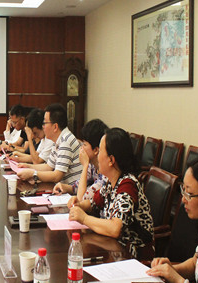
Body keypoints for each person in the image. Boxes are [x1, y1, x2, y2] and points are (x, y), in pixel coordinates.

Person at [69, 127, 154, 259]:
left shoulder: (127, 186)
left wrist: (84, 218)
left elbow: (115, 228)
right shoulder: (112, 182)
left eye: (100, 151)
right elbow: (93, 203)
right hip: (113, 251)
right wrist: (79, 205)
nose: (97, 156)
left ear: (111, 160)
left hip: (134, 257)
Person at [17, 103, 82, 186]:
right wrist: (28, 167)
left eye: (45, 123)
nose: (43, 126)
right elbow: (48, 167)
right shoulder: (58, 140)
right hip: (61, 188)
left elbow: (57, 176)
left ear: (55, 127)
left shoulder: (65, 141)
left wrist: (33, 174)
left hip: (70, 191)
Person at [53, 119, 108, 205]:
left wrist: (85, 165)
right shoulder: (93, 166)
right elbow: (77, 187)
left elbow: (81, 199)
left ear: (96, 150)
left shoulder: (105, 173)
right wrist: (64, 187)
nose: (81, 148)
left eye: (84, 144)